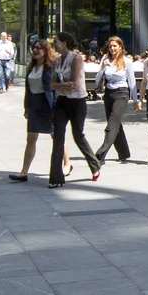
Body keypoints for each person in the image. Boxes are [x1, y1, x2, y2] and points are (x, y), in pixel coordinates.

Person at [51, 33, 98, 183]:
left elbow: (74, 84)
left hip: (77, 102)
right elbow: (51, 84)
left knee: (78, 135)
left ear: (64, 43)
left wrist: (61, 85)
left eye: (56, 42)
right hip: (61, 101)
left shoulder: (76, 58)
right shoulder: (56, 61)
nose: (54, 44)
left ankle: (94, 164)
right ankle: (56, 177)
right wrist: (63, 86)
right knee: (58, 136)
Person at [11, 42, 56, 182]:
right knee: (31, 138)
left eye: (39, 48)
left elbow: (54, 89)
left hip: (48, 105)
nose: (35, 50)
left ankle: (67, 164)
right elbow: (28, 89)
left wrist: (56, 107)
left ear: (46, 51)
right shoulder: (31, 67)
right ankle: (24, 172)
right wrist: (27, 107)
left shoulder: (51, 67)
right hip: (34, 105)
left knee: (56, 137)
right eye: (34, 48)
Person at [92, 36, 135, 169]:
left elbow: (132, 81)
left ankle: (100, 155)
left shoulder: (127, 62)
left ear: (121, 47)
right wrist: (102, 68)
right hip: (108, 93)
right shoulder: (105, 60)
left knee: (112, 125)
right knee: (116, 125)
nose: (112, 49)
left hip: (121, 93)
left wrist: (136, 100)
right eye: (110, 46)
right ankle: (124, 153)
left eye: (115, 46)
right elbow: (96, 81)